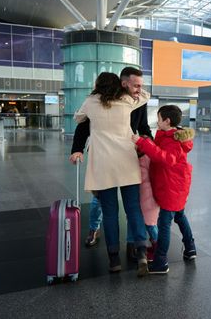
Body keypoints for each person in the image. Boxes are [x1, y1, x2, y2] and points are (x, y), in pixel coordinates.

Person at [69, 72, 150, 276]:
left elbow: (78, 118)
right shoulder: (127, 100)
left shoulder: (90, 102)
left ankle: (114, 259)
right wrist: (125, 91)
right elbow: (145, 95)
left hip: (103, 165)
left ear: (97, 85)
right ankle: (141, 253)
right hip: (126, 161)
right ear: (119, 85)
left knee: (110, 213)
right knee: (133, 209)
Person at [132, 105, 196, 274]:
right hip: (176, 184)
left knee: (164, 224)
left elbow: (166, 159)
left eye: (159, 118)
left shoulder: (173, 140)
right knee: (180, 216)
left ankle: (161, 262)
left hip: (171, 186)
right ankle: (190, 248)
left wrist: (142, 142)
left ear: (167, 121)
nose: (157, 121)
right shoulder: (170, 135)